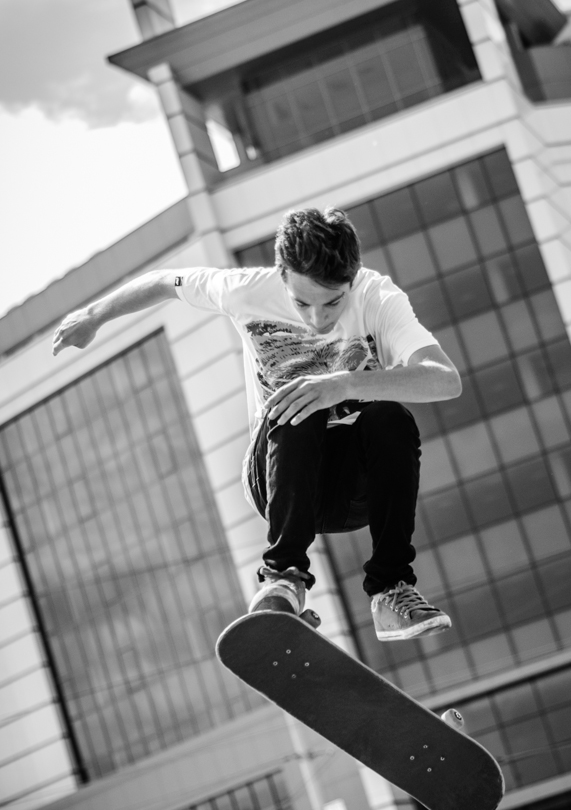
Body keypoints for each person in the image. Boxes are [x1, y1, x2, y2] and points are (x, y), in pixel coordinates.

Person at [52, 207, 462, 642]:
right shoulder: (244, 290)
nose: (318, 318)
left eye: (333, 303)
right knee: (298, 404)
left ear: (353, 278)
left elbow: (445, 378)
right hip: (276, 476)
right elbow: (165, 283)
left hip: (353, 491)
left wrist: (343, 385)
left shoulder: (377, 298)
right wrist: (93, 316)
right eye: (302, 303)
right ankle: (283, 579)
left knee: (390, 416)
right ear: (282, 276)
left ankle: (390, 590)